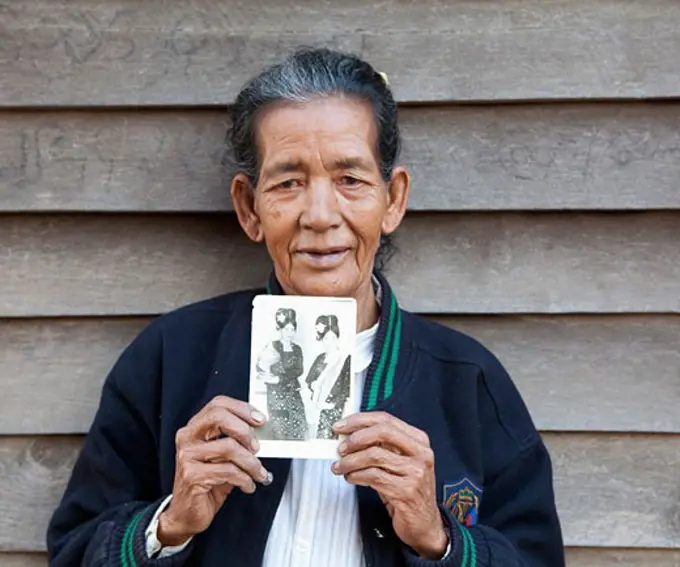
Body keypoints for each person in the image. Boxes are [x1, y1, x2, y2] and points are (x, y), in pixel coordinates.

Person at [47, 47, 565, 567]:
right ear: (250, 209)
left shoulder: (468, 383)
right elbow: (73, 551)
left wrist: (437, 537)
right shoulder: (171, 357)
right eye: (289, 182)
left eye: (350, 180)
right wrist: (169, 524)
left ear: (394, 200)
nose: (319, 215)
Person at [255, 308, 307, 440]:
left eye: (292, 330)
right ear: (281, 330)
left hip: (292, 389)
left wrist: (281, 377)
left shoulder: (297, 349)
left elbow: (298, 370)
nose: (289, 333)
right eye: (286, 329)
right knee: (279, 423)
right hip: (276, 392)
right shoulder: (273, 346)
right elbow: (262, 364)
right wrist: (272, 376)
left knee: (297, 422)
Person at [304, 314, 351, 440]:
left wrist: (334, 403)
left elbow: (347, 387)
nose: (329, 342)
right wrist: (313, 385)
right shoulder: (320, 358)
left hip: (335, 409)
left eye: (332, 338)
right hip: (317, 405)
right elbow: (309, 379)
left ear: (337, 338)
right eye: (326, 339)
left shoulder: (345, 359)